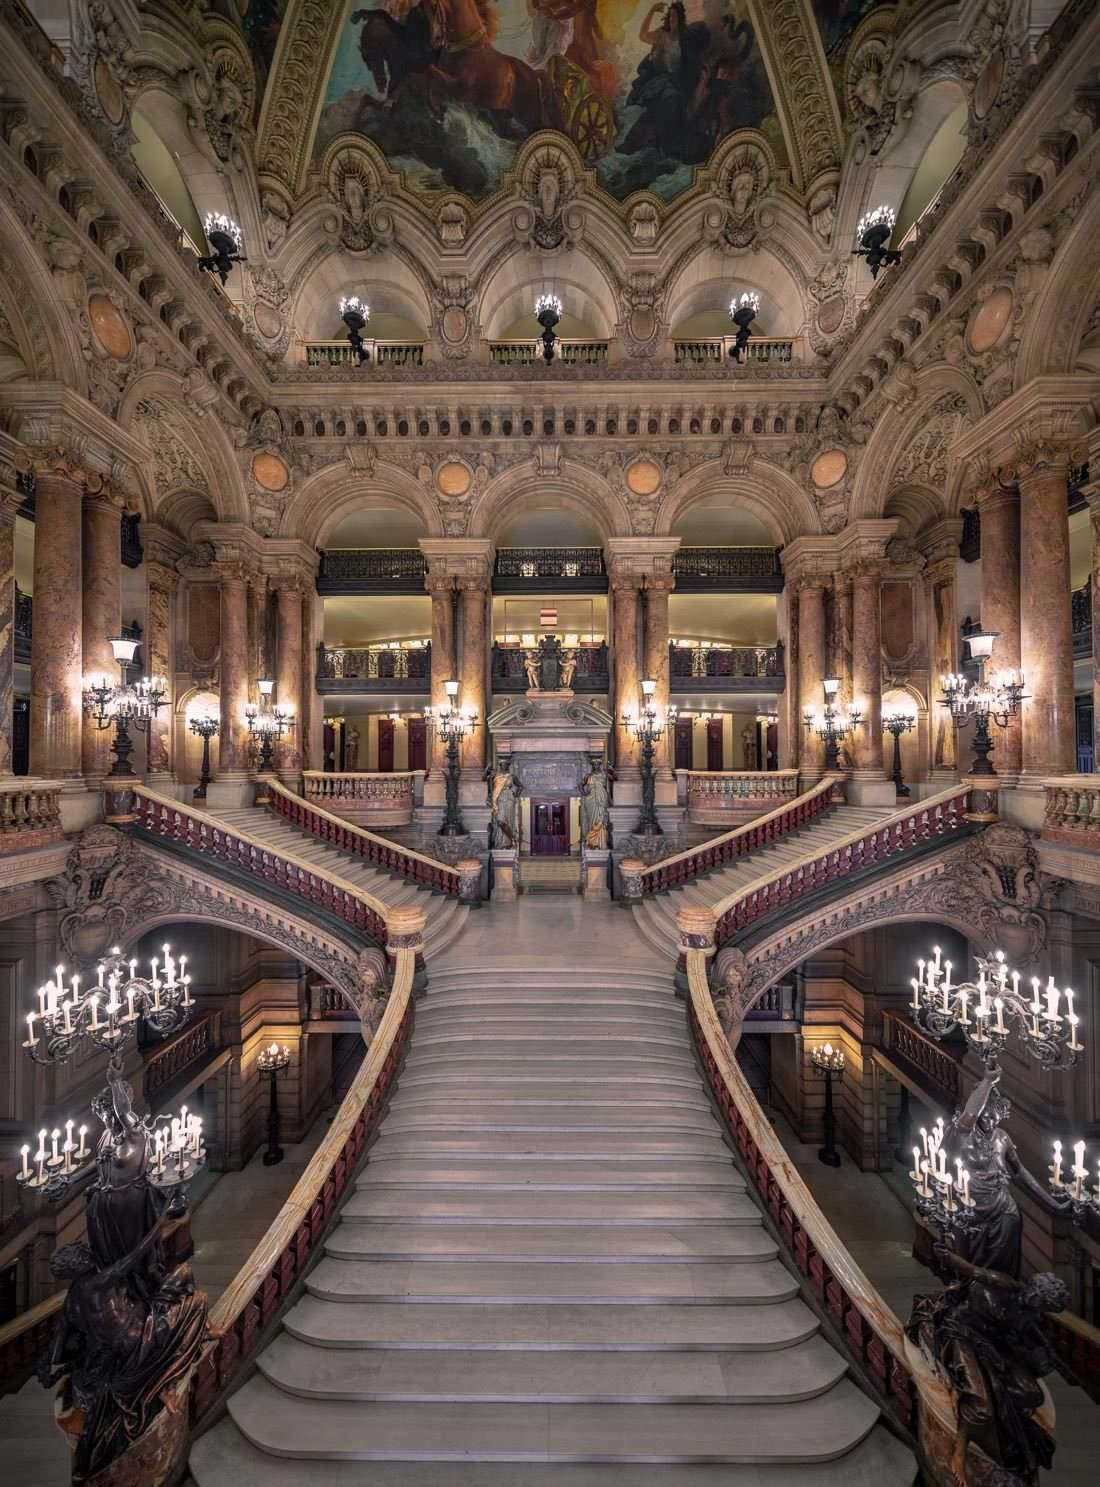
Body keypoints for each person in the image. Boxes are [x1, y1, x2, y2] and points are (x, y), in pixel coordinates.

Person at [39, 1215, 207, 1482]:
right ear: (80, 1266)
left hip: (130, 1330)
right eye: (84, 1256)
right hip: (140, 1340)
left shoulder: (76, 1294)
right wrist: (157, 1222)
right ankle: (170, 1374)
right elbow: (133, 1256)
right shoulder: (96, 1284)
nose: (89, 1255)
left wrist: (49, 1363)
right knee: (194, 1299)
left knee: (179, 1279)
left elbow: (64, 1331)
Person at [907, 1243, 1068, 1487]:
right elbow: (969, 1270)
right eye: (1043, 1304)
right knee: (981, 1405)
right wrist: (946, 1255)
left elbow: (1025, 1343)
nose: (1041, 1310)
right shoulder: (1000, 1284)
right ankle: (959, 1453)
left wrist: (1042, 1356)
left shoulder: (1028, 1315)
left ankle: (1005, 1429)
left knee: (1031, 1394)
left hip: (991, 1347)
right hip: (958, 1333)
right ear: (1035, 1293)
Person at [580, 758, 612, 849]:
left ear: (600, 765)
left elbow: (611, 783)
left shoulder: (604, 775)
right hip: (591, 800)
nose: (596, 766)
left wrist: (610, 770)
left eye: (597, 764)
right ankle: (592, 842)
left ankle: (601, 842)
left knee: (601, 818)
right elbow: (580, 785)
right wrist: (584, 794)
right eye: (594, 765)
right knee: (592, 820)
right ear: (592, 766)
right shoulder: (588, 776)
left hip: (602, 798)